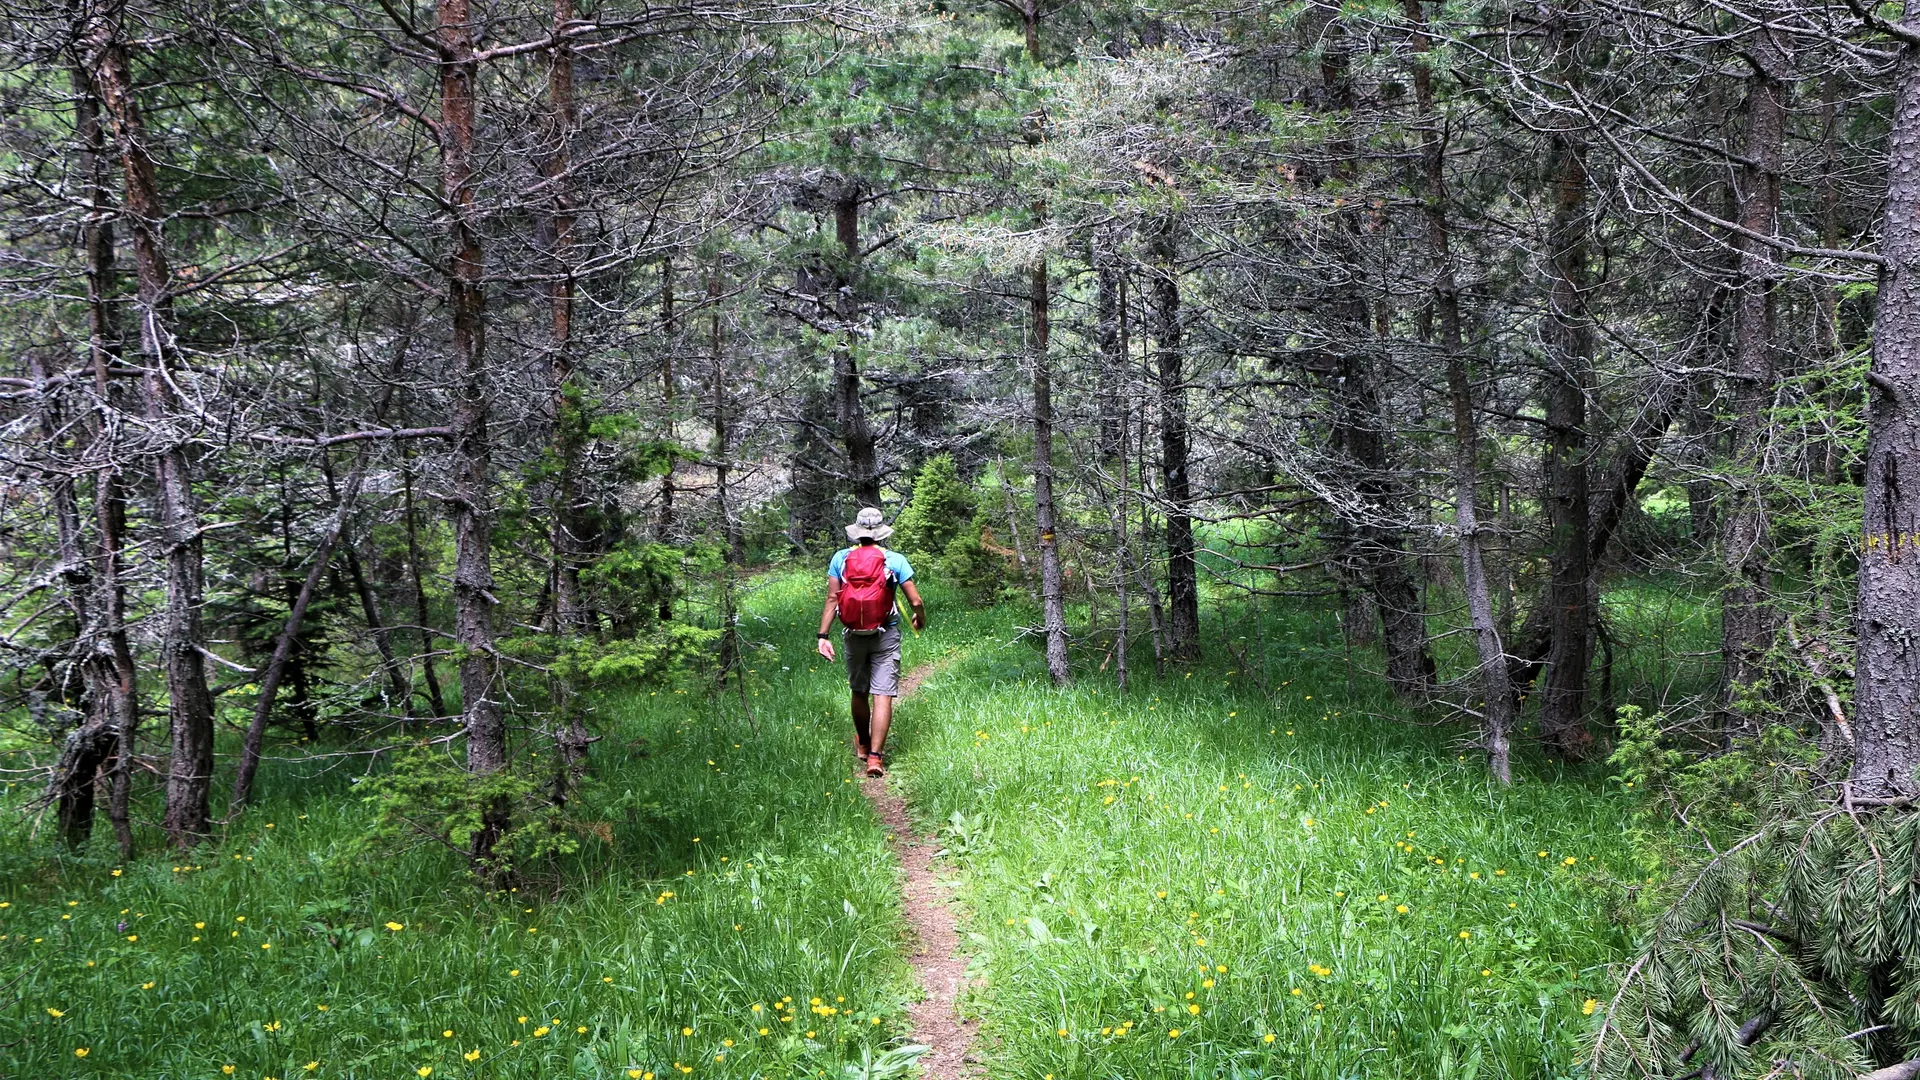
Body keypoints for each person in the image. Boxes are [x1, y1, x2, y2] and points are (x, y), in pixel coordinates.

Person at [817, 507, 926, 777]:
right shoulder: (895, 559)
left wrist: (823, 636)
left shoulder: (841, 559)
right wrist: (919, 617)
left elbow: (833, 599)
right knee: (883, 693)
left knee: (859, 690)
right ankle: (876, 758)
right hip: (885, 634)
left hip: (854, 635)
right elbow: (915, 601)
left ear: (857, 532)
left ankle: (863, 745)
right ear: (881, 532)